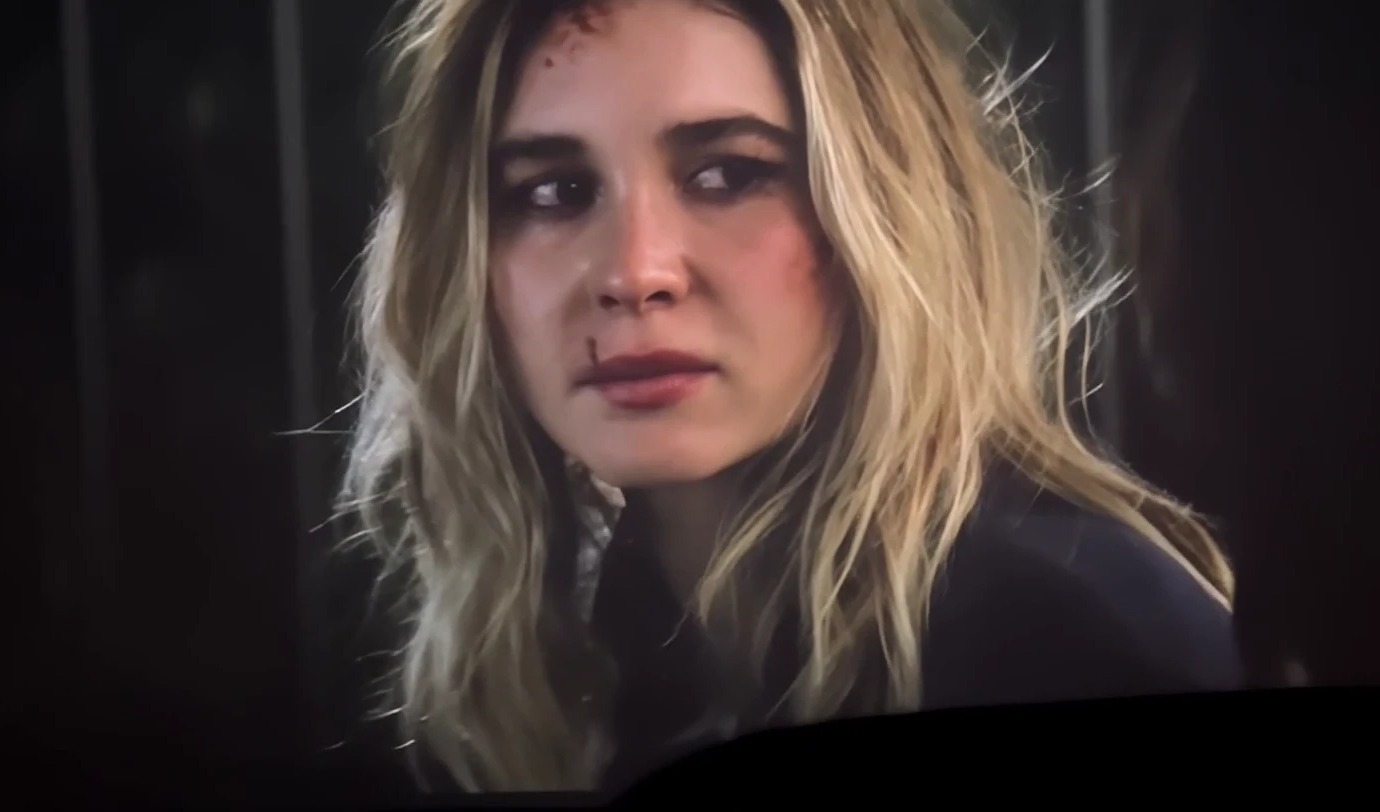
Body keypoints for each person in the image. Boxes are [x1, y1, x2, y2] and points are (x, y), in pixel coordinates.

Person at [333, 0, 1240, 794]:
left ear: (883, 210)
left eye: (728, 174)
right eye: (554, 192)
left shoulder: (1062, 634)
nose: (635, 273)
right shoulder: (617, 635)